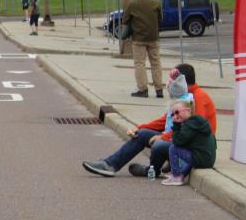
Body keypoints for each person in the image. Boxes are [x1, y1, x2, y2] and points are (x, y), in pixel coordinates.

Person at [82, 63, 217, 177]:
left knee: (159, 145)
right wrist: (140, 128)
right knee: (142, 135)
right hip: (180, 138)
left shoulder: (198, 98)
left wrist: (163, 137)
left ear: (182, 82)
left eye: (172, 81)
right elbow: (166, 120)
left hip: (194, 147)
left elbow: (189, 131)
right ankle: (109, 165)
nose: (168, 84)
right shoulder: (183, 95)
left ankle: (152, 170)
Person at [161, 99, 216, 185]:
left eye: (177, 112)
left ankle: (176, 176)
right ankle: (181, 175)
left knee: (173, 149)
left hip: (201, 159)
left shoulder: (189, 125)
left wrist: (176, 125)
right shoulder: (197, 122)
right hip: (208, 159)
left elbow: (177, 142)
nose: (175, 116)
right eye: (173, 114)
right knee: (190, 152)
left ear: (188, 110)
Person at [122, 0, 164, 98]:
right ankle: (159, 89)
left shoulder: (133, 4)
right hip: (153, 37)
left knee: (140, 63)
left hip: (138, 38)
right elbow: (160, 19)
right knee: (156, 63)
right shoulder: (157, 3)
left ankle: (143, 89)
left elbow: (125, 20)